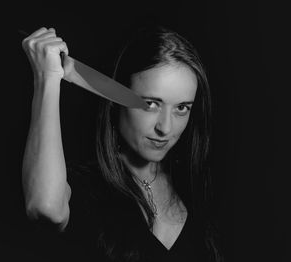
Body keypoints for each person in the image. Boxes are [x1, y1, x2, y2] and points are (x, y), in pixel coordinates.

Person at [21, 25, 222, 261]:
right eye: (150, 104)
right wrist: (47, 78)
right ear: (114, 100)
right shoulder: (85, 186)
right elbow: (45, 208)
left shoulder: (194, 183)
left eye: (181, 108)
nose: (165, 128)